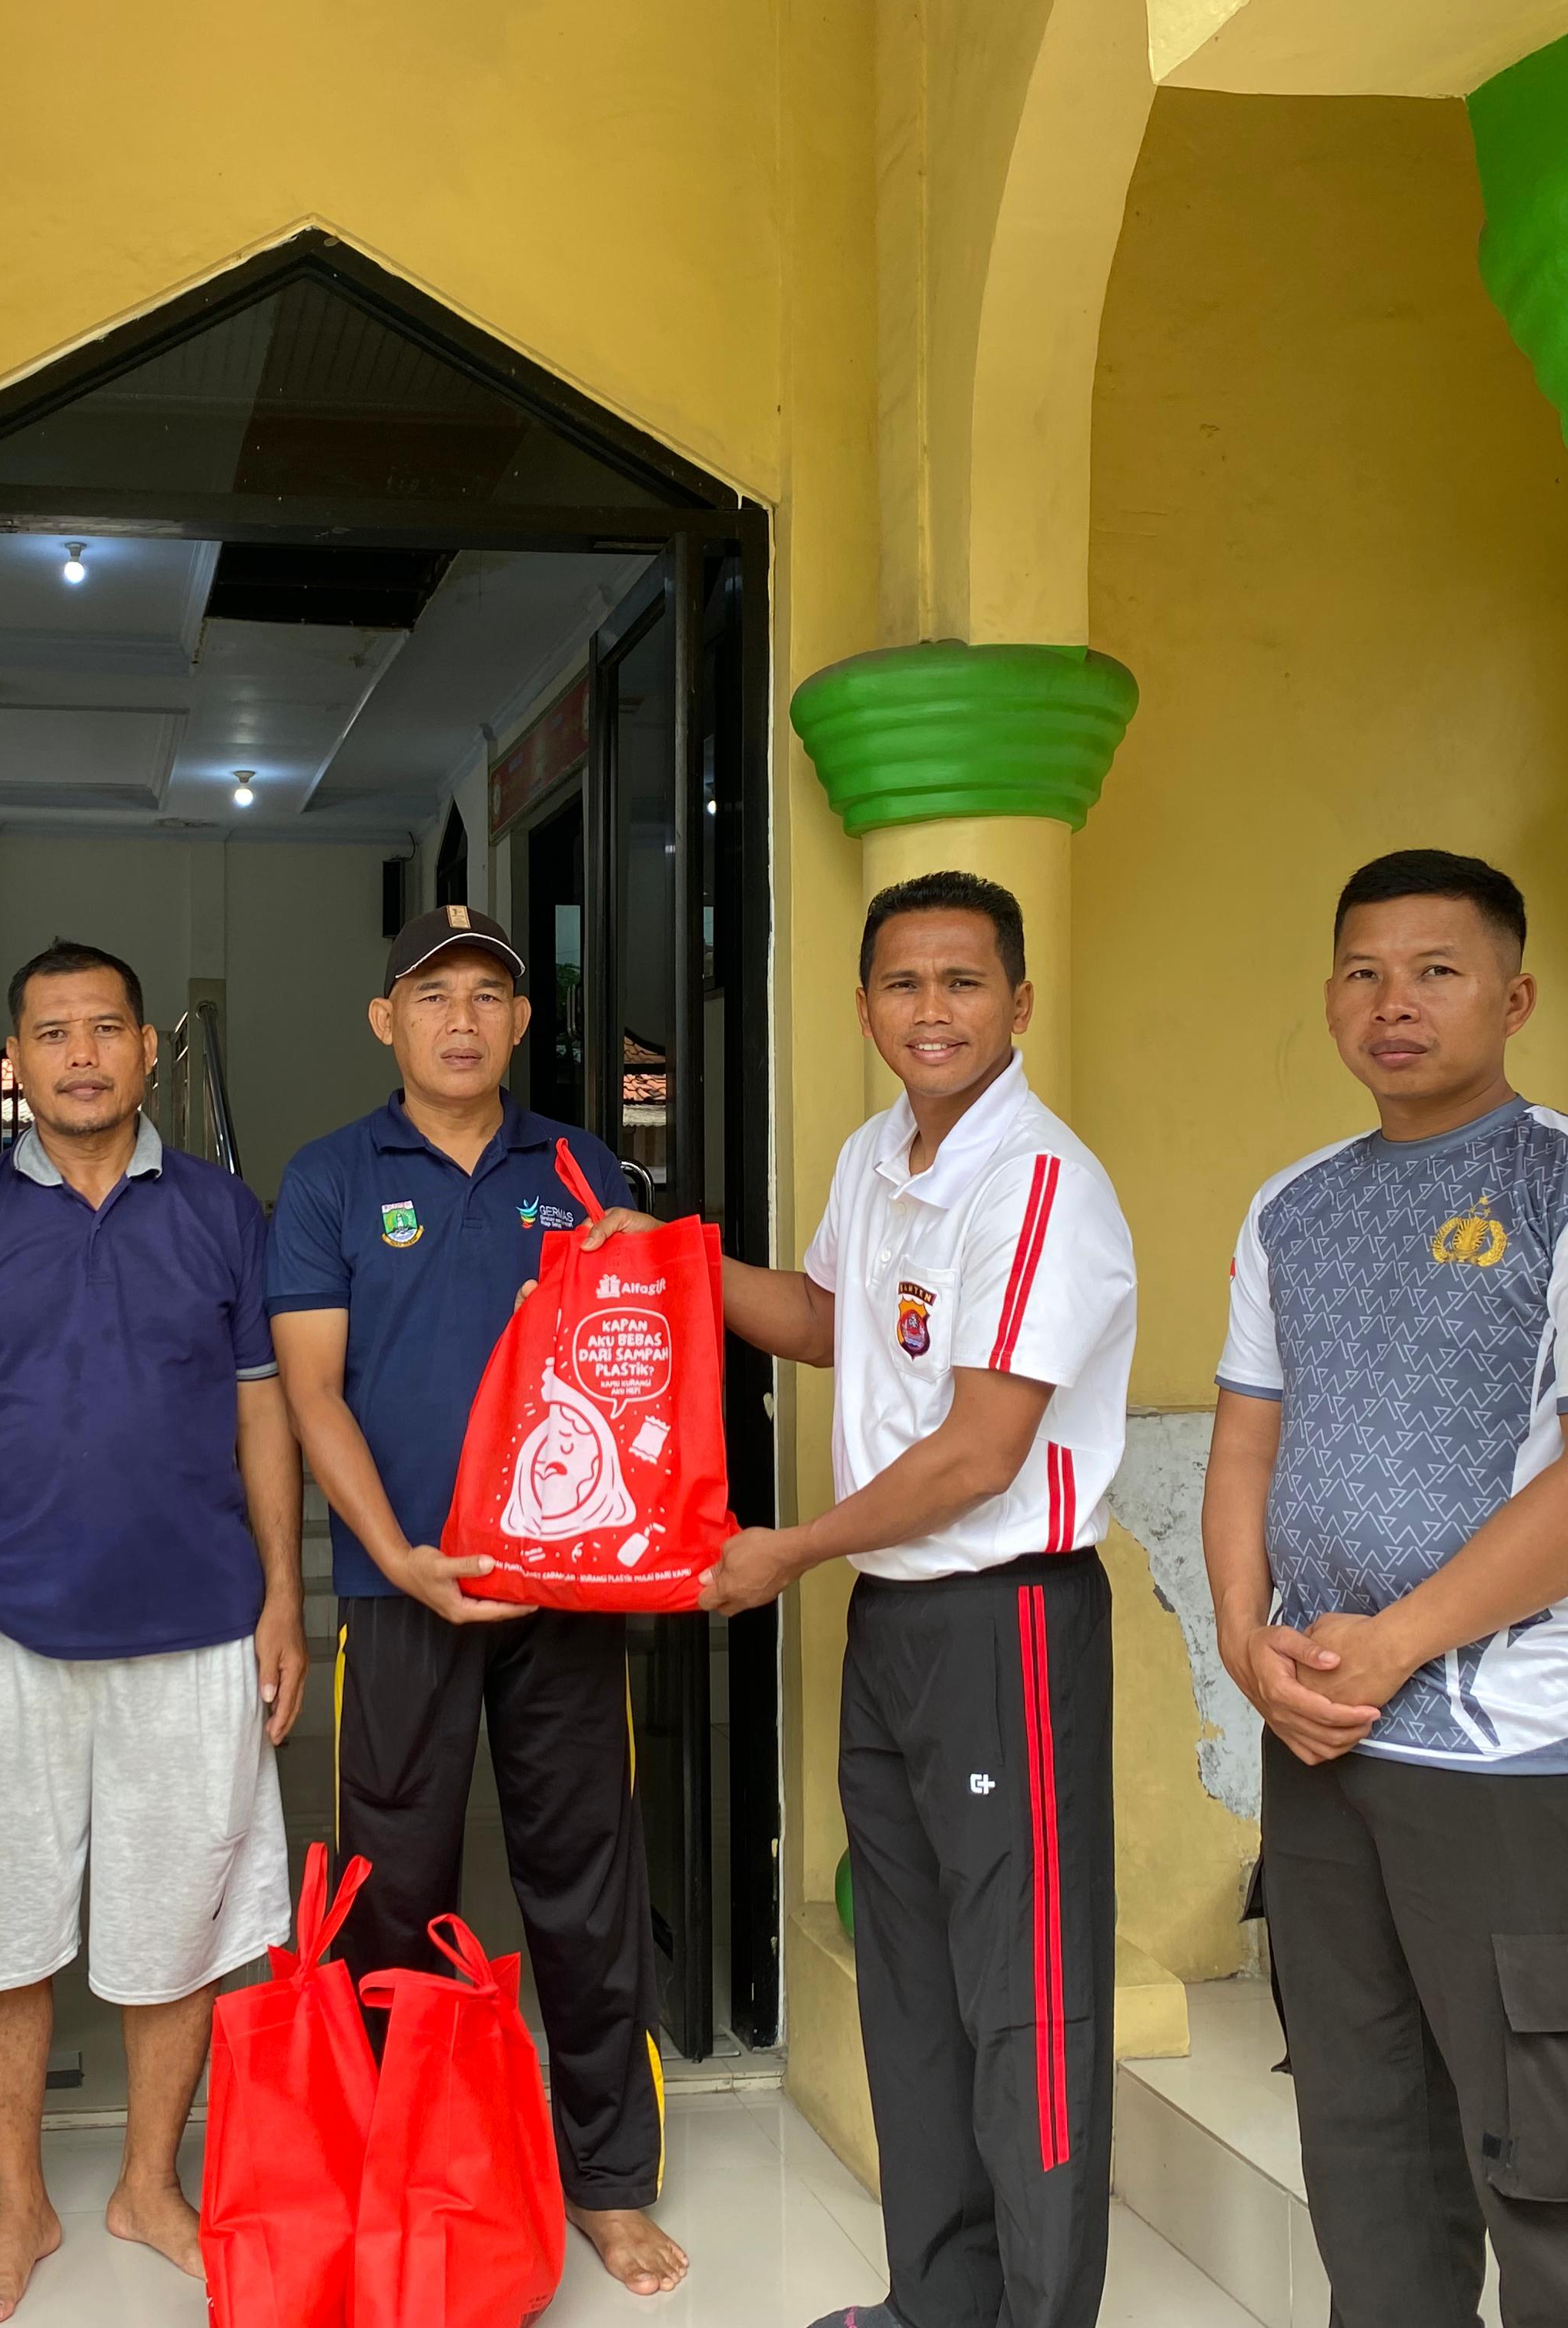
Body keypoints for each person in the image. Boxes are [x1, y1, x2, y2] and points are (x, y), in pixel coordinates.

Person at [591, 868, 1136, 2328]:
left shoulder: (1037, 1184)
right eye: (904, 983)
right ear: (864, 1007)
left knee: (1025, 1994)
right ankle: (934, 2304)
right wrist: (670, 1262)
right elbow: (833, 1322)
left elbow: (980, 1451)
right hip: (897, 1616)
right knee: (911, 1980)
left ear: (1020, 1002)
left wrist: (791, 1550)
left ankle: (1040, 2314)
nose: (931, 1010)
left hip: (1007, 1619)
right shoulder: (877, 1157)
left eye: (963, 982)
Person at [1205, 849, 1568, 2328]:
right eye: (1363, 972)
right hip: (1325, 1751)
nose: (1392, 1003)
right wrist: (1244, 1644)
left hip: (1517, 1759)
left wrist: (1397, 1642)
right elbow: (1244, 1446)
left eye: (1435, 972)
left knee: (1567, 2177)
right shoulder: (1292, 1206)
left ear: (1514, 999)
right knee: (1369, 2156)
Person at [0, 940, 305, 2328]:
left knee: (180, 1923)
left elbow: (264, 1415)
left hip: (198, 1629)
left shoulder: (224, 1212)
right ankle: (21, 2210)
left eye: (105, 1029)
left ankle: (147, 2189)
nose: (79, 1055)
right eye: (51, 1033)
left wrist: (284, 1598)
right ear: (15, 1061)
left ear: (147, 1051)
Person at [269, 904, 688, 2301]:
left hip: (562, 1590)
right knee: (392, 1890)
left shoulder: (578, 1166)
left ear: (521, 1021)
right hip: (400, 1591)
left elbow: (630, 1369)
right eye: (431, 994)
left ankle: (607, 2180)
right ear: (384, 1020)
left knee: (585, 1880)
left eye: (487, 997)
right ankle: (400, 2168)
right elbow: (312, 1393)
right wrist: (396, 1556)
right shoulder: (331, 1178)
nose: (461, 1019)